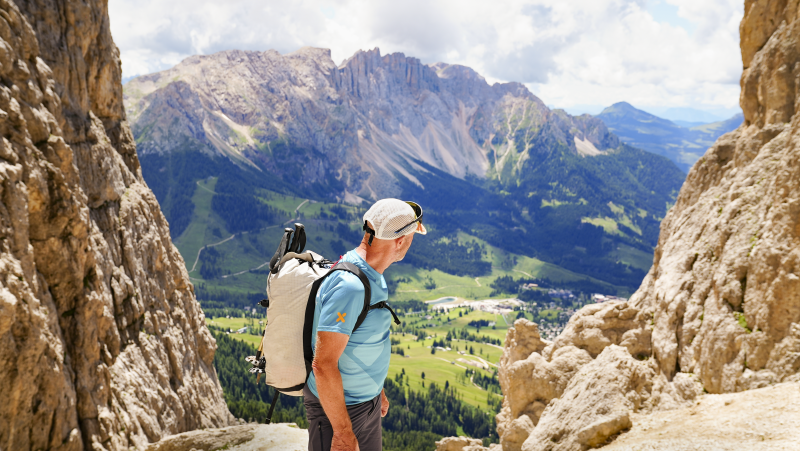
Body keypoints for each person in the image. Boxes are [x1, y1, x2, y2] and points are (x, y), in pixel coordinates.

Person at [303, 199, 426, 451]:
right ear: (400, 241)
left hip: (364, 405)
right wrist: (343, 433)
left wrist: (376, 389)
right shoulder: (349, 287)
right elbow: (323, 365)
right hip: (340, 413)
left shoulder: (372, 273)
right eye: (412, 237)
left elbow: (362, 338)